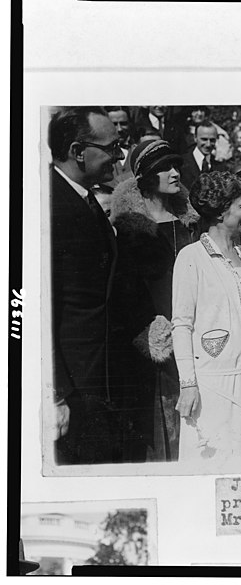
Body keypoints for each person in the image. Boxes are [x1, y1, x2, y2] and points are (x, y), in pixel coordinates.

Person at [110, 139, 200, 462]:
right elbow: (123, 294)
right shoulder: (129, 229)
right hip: (156, 349)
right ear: (147, 175)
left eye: (177, 165)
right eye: (165, 168)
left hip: (195, 337)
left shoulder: (192, 223)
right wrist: (153, 333)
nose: (176, 172)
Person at [172, 171, 241, 461]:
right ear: (220, 211)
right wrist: (188, 384)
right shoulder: (192, 257)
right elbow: (182, 325)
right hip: (213, 387)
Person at [49, 106, 123, 464]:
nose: (119, 155)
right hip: (72, 390)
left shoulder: (86, 198)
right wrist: (56, 394)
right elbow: (31, 311)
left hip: (98, 383)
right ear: (79, 152)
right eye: (111, 147)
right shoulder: (48, 206)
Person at [179, 121, 227, 189]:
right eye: (204, 139)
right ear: (195, 138)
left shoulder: (220, 167)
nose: (208, 144)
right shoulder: (181, 163)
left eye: (212, 140)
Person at [104, 106, 135, 185]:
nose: (119, 129)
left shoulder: (138, 150)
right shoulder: (99, 153)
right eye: (114, 124)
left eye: (123, 123)